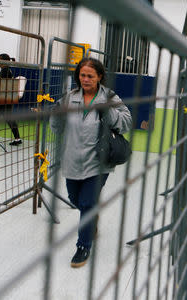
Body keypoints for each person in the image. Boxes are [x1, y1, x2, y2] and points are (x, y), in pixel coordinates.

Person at [49, 58, 132, 268]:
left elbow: (127, 122)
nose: (85, 79)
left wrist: (109, 111)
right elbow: (57, 128)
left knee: (86, 203)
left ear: (99, 77)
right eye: (82, 75)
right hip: (72, 159)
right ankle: (91, 218)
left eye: (90, 76)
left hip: (98, 161)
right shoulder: (70, 98)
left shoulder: (110, 96)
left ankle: (83, 246)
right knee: (75, 199)